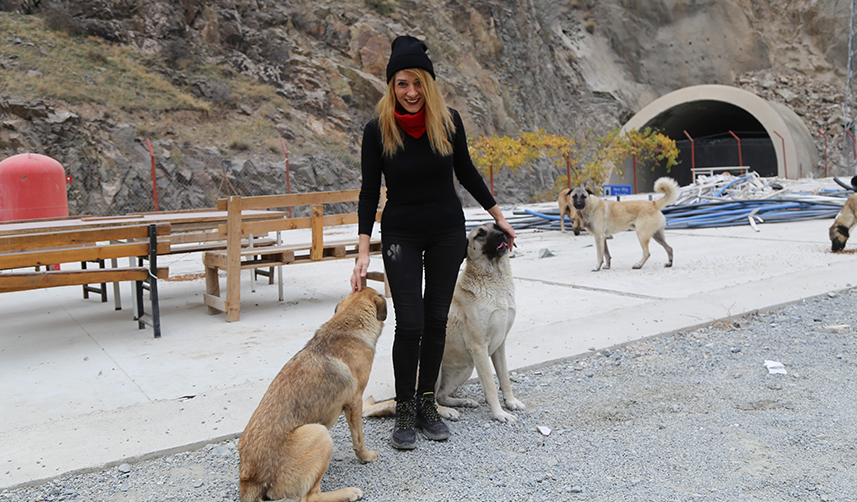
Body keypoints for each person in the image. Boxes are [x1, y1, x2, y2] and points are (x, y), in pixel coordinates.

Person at [350, 35, 517, 450]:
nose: (410, 92)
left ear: (429, 84)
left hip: (446, 231)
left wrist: (499, 217)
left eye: (418, 83)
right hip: (401, 233)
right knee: (410, 323)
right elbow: (369, 192)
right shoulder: (377, 130)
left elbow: (468, 173)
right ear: (392, 86)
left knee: (436, 320)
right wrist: (362, 250)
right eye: (402, 84)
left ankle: (428, 402)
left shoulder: (449, 122)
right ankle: (405, 407)